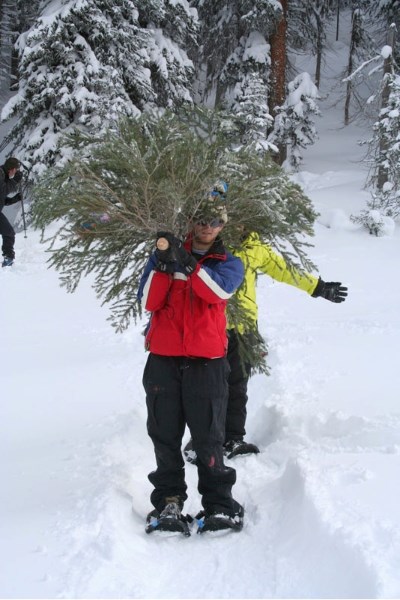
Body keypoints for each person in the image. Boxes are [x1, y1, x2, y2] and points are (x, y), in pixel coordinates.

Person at [184, 229, 348, 463]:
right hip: (208, 329)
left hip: (244, 331)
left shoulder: (253, 246)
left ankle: (233, 439)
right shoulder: (205, 243)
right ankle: (201, 442)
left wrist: (317, 287)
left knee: (237, 387)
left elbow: (282, 269)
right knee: (208, 388)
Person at [137, 186, 245, 535]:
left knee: (208, 437)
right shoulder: (163, 257)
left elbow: (215, 293)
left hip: (207, 363)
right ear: (191, 221)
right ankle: (168, 502)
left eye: (214, 221)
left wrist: (188, 265)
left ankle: (219, 505)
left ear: (222, 226)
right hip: (163, 361)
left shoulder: (228, 264)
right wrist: (165, 266)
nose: (207, 226)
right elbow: (147, 302)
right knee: (164, 434)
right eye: (201, 219)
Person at [0, 157, 23, 267]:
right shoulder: (0, 175)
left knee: (8, 232)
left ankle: (8, 258)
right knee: (9, 232)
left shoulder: (3, 176)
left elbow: (2, 198)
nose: (16, 172)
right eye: (16, 170)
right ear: (12, 169)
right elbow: (3, 190)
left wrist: (15, 199)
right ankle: (8, 258)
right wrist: (15, 181)